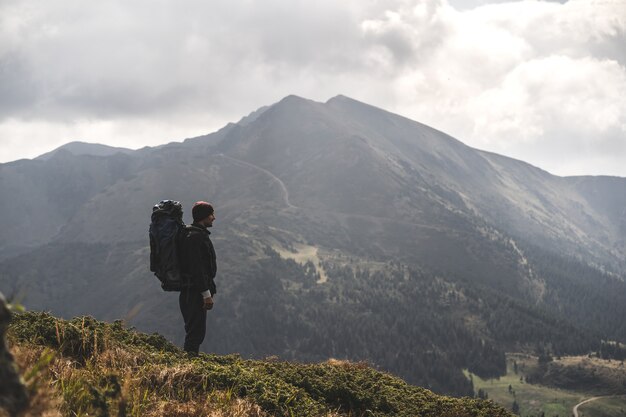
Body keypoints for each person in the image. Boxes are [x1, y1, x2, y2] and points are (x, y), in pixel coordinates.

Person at [178, 201, 217, 355]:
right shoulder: (195, 237)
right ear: (203, 216)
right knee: (195, 332)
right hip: (194, 293)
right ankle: (190, 367)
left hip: (191, 291)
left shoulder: (194, 234)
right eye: (211, 214)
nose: (214, 218)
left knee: (195, 330)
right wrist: (206, 294)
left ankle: (190, 363)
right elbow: (197, 268)